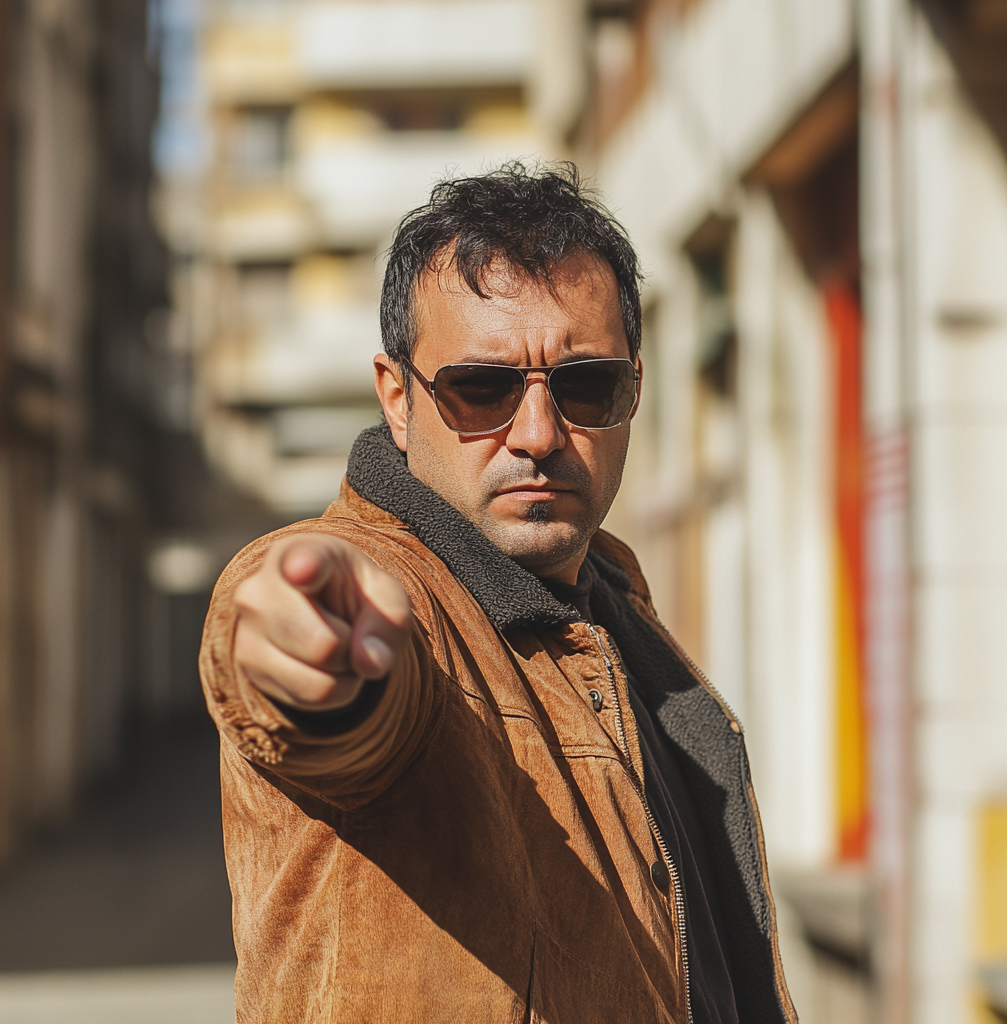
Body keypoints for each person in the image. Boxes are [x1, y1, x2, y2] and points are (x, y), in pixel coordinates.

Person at [200, 163, 797, 1024]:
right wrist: (307, 666)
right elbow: (329, 689)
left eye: (586, 385)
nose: (539, 434)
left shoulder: (610, 596)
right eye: (481, 389)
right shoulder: (376, 585)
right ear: (398, 399)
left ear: (635, 388)